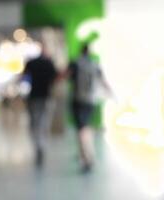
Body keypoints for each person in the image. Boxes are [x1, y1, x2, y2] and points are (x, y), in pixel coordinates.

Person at [68, 43, 112, 172]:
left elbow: (65, 76)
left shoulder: (75, 63)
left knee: (81, 129)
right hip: (90, 101)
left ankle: (87, 156)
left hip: (78, 100)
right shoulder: (95, 64)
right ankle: (86, 153)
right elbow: (103, 81)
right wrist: (111, 94)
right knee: (86, 127)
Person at [22, 44, 58, 166]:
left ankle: (38, 144)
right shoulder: (49, 63)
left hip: (34, 97)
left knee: (35, 122)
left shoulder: (31, 63)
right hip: (47, 97)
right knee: (44, 122)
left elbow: (23, 76)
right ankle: (41, 144)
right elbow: (56, 78)